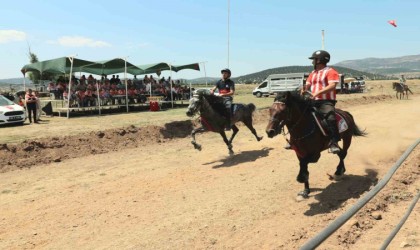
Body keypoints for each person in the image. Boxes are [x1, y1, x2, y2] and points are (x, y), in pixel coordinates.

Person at [286, 50, 340, 153]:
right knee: (297, 115)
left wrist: (317, 93)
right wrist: (304, 88)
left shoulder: (331, 71)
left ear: (320, 60)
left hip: (326, 101)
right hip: (313, 100)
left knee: (330, 118)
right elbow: (308, 84)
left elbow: (332, 85)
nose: (312, 62)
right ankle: (293, 140)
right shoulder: (313, 73)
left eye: (314, 60)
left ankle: (334, 142)